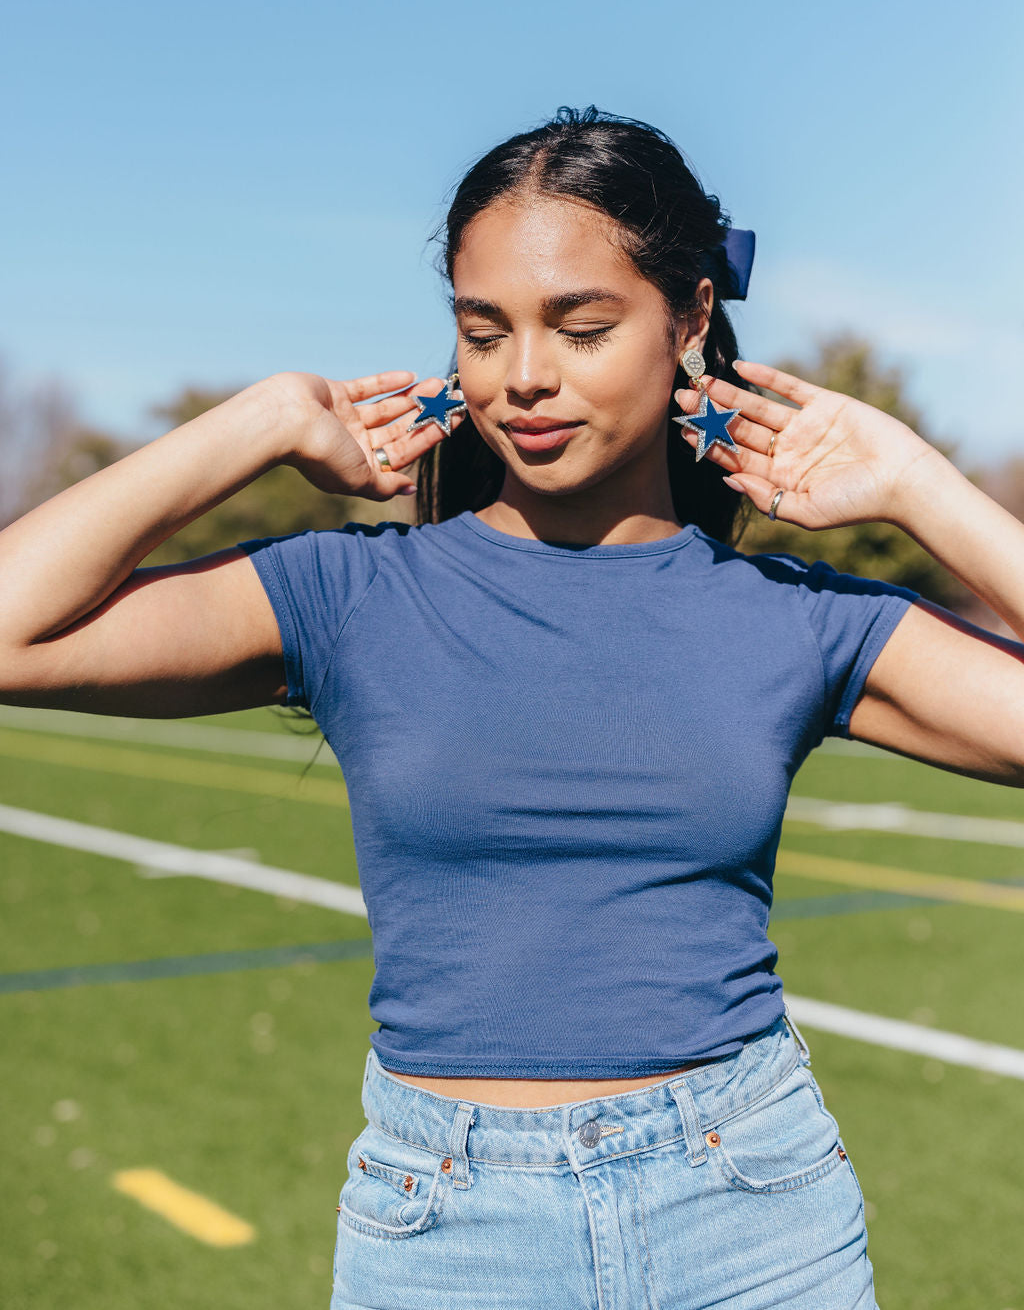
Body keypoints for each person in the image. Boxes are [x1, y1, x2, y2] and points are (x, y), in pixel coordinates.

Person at [1, 106, 1022, 1310]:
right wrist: (260, 420)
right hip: (444, 1221)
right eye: (482, 331)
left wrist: (916, 486)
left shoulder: (790, 613)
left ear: (690, 319)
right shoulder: (352, 593)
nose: (523, 374)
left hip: (751, 1208)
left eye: (580, 326)